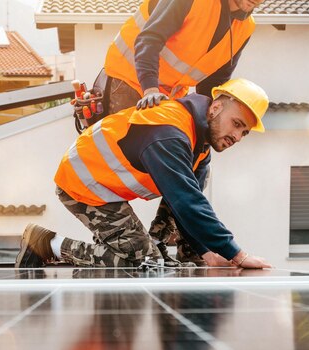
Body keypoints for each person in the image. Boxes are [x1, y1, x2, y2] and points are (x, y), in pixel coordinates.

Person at [16, 78, 272, 270]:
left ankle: (154, 246)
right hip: (84, 181)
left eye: (244, 133)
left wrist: (207, 253)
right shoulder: (170, 132)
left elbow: (185, 203)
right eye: (237, 124)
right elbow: (187, 202)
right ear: (215, 108)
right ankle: (46, 243)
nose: (237, 137)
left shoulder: (201, 146)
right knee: (141, 261)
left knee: (170, 226)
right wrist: (236, 254)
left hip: (109, 185)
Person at [103, 0, 263, 266]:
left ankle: (178, 244)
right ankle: (136, 244)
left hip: (167, 97)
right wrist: (150, 88)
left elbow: (214, 82)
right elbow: (149, 38)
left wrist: (203, 129)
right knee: (160, 170)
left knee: (196, 163)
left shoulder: (245, 26)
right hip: (133, 81)